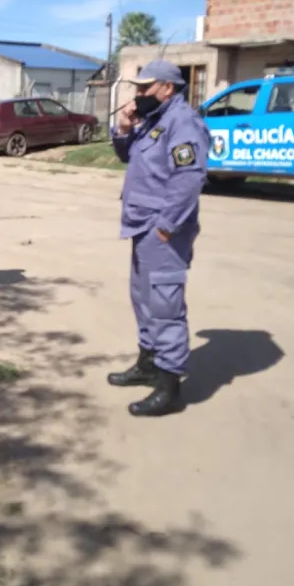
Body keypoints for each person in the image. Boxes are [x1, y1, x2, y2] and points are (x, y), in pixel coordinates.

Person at [109, 59, 210, 417]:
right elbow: (128, 156)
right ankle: (148, 363)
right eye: (137, 87)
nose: (138, 93)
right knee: (143, 298)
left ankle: (169, 387)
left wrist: (166, 226)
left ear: (167, 88)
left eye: (145, 87)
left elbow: (189, 179)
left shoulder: (183, 122)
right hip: (141, 225)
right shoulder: (154, 119)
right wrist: (124, 128)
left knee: (165, 304)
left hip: (163, 229)